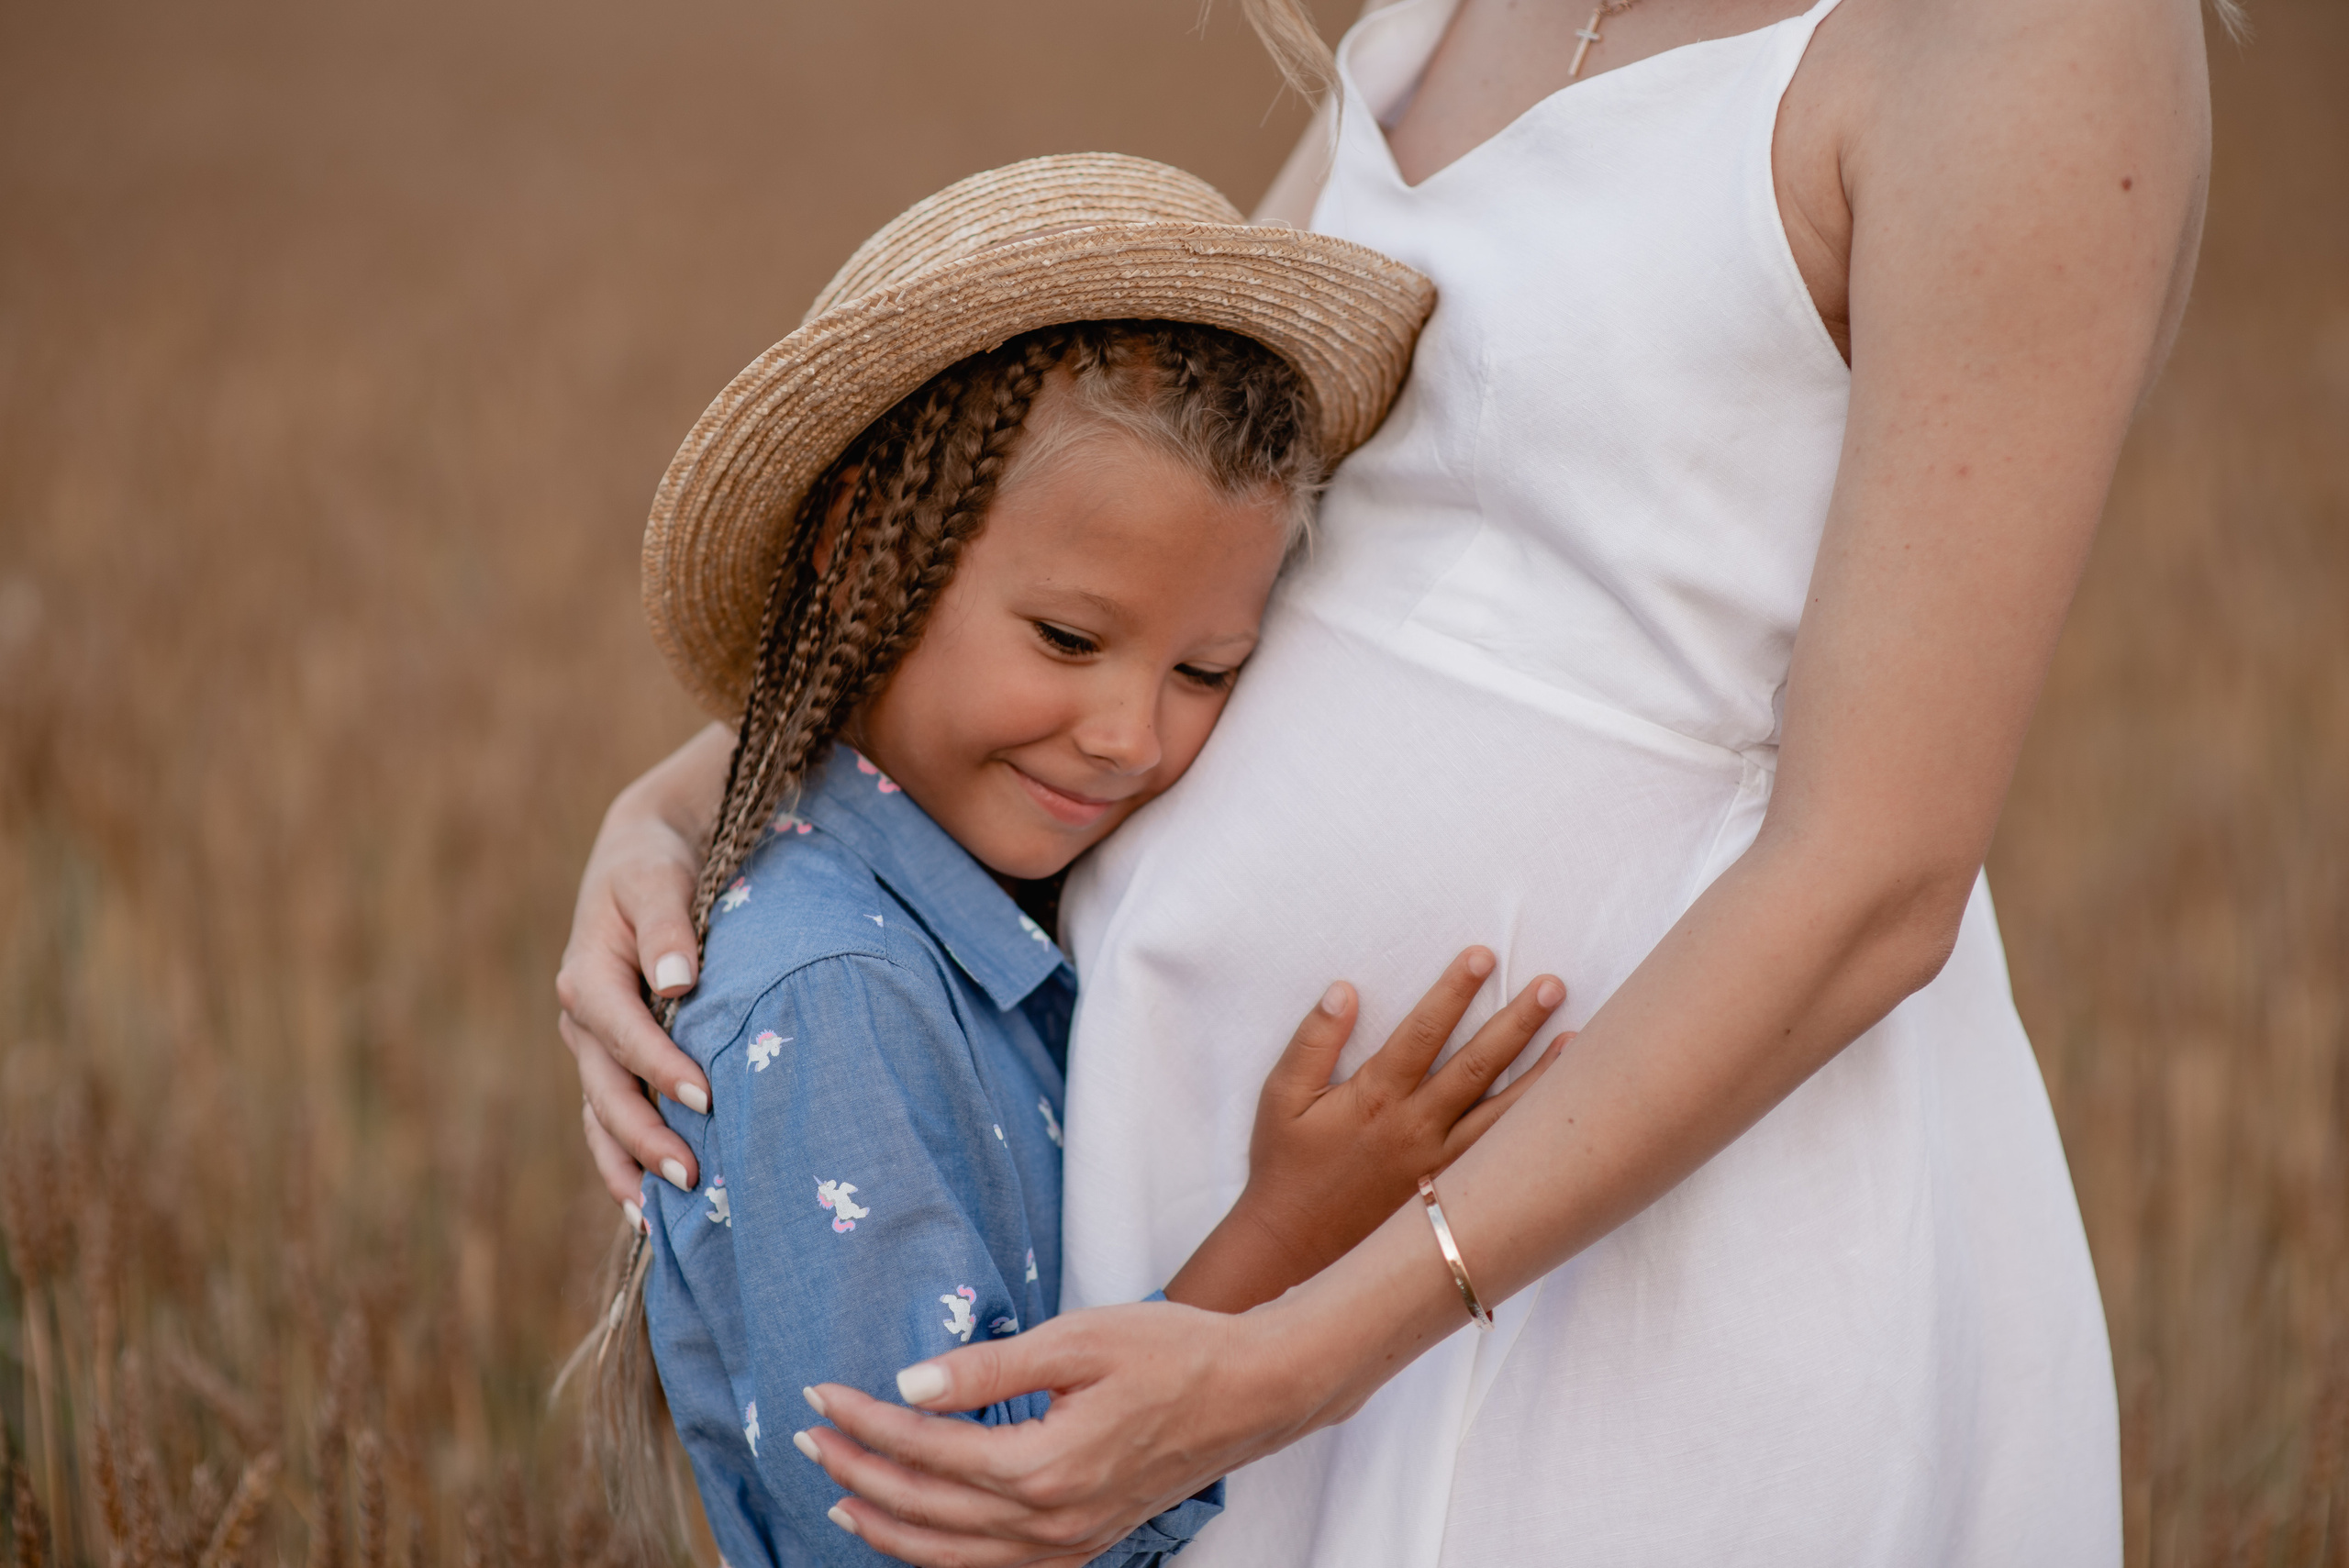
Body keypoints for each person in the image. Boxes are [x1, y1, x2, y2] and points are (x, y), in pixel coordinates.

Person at [559, 0, 2213, 1556]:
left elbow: (1878, 877)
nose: (1129, 727)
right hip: (1224, 1239)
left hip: (1625, 1263)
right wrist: (684, 807)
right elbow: (1122, 459)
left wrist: (1296, 1350)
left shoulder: (2029, 41)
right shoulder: (1435, 11)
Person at [588, 157, 1576, 1567]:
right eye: (1067, 638)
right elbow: (956, 1525)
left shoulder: (972, 908)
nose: (1130, 735)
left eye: (1205, 670)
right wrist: (1287, 1233)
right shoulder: (831, 994)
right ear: (862, 544)